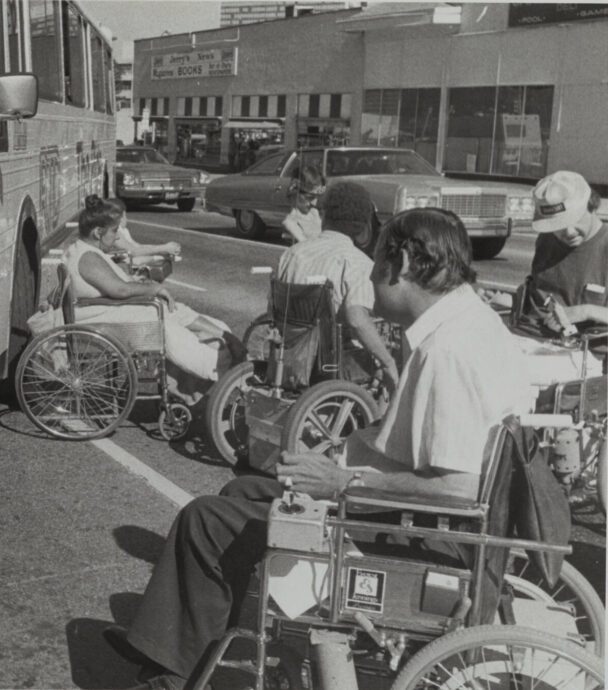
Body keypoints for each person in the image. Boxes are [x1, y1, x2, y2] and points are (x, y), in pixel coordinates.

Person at [103, 208, 530, 690]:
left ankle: (169, 672)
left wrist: (341, 481)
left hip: (422, 537)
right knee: (242, 491)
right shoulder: (469, 324)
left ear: (404, 265)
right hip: (427, 524)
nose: (371, 278)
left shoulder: (447, 351)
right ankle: (175, 650)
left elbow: (460, 487)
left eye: (377, 264)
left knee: (205, 520)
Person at [65, 197, 240, 389]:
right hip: (104, 321)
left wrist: (139, 284)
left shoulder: (80, 250)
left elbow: (114, 286)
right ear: (98, 232)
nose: (116, 238)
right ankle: (221, 366)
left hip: (105, 314)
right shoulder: (88, 257)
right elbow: (120, 290)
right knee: (166, 326)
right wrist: (155, 288)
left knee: (173, 312)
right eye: (114, 231)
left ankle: (222, 344)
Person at [277, 181, 400, 393]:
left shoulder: (291, 254)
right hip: (332, 365)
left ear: (325, 216)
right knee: (387, 358)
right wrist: (388, 362)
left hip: (288, 355)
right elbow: (356, 319)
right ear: (363, 225)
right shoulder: (357, 263)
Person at [527, 170, 608, 334]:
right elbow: (537, 299)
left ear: (591, 206)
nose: (569, 232)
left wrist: (584, 311)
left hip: (589, 346)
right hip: (536, 338)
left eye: (576, 219)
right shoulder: (546, 240)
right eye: (558, 226)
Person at [104, 198, 182, 260]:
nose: (126, 219)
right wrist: (163, 249)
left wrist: (163, 250)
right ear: (119, 217)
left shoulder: (123, 230)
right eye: (125, 216)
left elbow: (138, 247)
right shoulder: (114, 233)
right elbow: (133, 252)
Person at [281, 164, 324, 243]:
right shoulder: (291, 224)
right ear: (294, 193)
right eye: (309, 197)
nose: (314, 203)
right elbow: (306, 248)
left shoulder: (315, 213)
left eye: (317, 197)